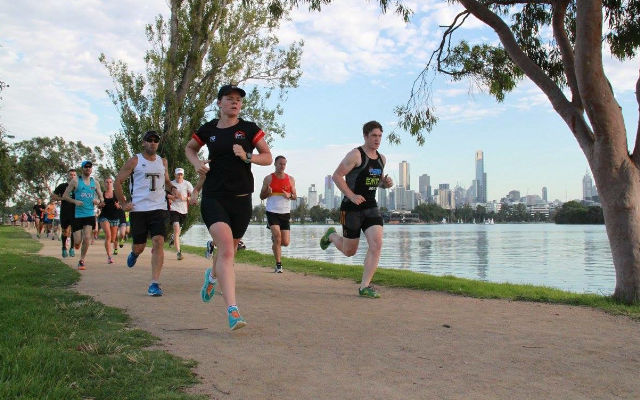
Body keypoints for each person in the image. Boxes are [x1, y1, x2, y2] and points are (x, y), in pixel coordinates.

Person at [185, 83, 272, 331]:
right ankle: (233, 310)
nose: (235, 103)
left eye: (238, 100)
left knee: (228, 252)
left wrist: (247, 156)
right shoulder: (209, 129)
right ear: (219, 103)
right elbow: (190, 148)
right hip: (214, 197)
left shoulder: (249, 130)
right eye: (230, 99)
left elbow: (266, 155)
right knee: (225, 249)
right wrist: (196, 163)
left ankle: (212, 277)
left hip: (242, 199)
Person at [319, 121, 393, 298]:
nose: (377, 139)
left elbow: (376, 180)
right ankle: (330, 235)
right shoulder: (355, 155)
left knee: (377, 244)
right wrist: (351, 195)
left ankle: (364, 286)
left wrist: (385, 184)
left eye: (380, 136)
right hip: (351, 208)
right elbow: (337, 176)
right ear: (366, 136)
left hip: (371, 206)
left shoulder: (382, 159)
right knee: (349, 251)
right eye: (374, 136)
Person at [115, 130, 178, 297]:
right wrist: (123, 203)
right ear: (143, 143)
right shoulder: (135, 161)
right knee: (140, 246)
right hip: (139, 209)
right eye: (149, 140)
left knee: (158, 241)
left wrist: (173, 188)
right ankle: (135, 253)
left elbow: (165, 181)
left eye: (155, 140)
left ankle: (154, 283)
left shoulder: (162, 161)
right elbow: (118, 181)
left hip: (158, 208)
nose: (152, 143)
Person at [62, 160, 104, 270]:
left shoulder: (95, 182)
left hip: (89, 214)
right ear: (82, 168)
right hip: (77, 214)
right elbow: (65, 196)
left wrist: (98, 202)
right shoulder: (75, 181)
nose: (88, 169)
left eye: (90, 167)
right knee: (77, 241)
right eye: (86, 167)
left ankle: (82, 260)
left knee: (87, 238)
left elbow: (101, 197)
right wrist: (75, 202)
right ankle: (76, 244)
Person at [259, 155, 297, 273]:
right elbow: (261, 196)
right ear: (275, 164)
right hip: (272, 212)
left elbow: (295, 196)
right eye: (280, 164)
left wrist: (289, 195)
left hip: (285, 213)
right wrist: (267, 192)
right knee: (278, 237)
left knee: (285, 242)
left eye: (284, 164)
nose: (282, 166)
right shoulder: (268, 178)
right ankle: (279, 265)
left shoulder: (290, 179)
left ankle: (275, 240)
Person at [167, 167, 193, 260]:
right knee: (176, 228)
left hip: (184, 211)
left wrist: (186, 198)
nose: (179, 176)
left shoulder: (187, 184)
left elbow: (194, 195)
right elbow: (164, 194)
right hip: (174, 209)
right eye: (178, 174)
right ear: (175, 174)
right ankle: (179, 252)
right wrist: (170, 197)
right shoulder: (171, 184)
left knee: (177, 232)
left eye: (181, 174)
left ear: (183, 175)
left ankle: (173, 237)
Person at [53, 169, 78, 258]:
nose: (72, 176)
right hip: (65, 212)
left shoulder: (79, 186)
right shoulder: (62, 186)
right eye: (71, 174)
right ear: (67, 176)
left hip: (76, 212)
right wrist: (62, 198)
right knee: (65, 231)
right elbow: (53, 196)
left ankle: (72, 248)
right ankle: (64, 247)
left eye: (74, 175)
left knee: (74, 232)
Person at [98, 177, 121, 263]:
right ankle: (109, 256)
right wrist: (100, 205)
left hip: (115, 217)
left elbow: (122, 204)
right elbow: (98, 205)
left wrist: (119, 206)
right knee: (108, 235)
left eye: (110, 182)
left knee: (113, 239)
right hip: (104, 217)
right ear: (104, 184)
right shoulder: (102, 194)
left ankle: (111, 251)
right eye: (107, 182)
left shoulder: (117, 194)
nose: (108, 184)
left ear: (113, 183)